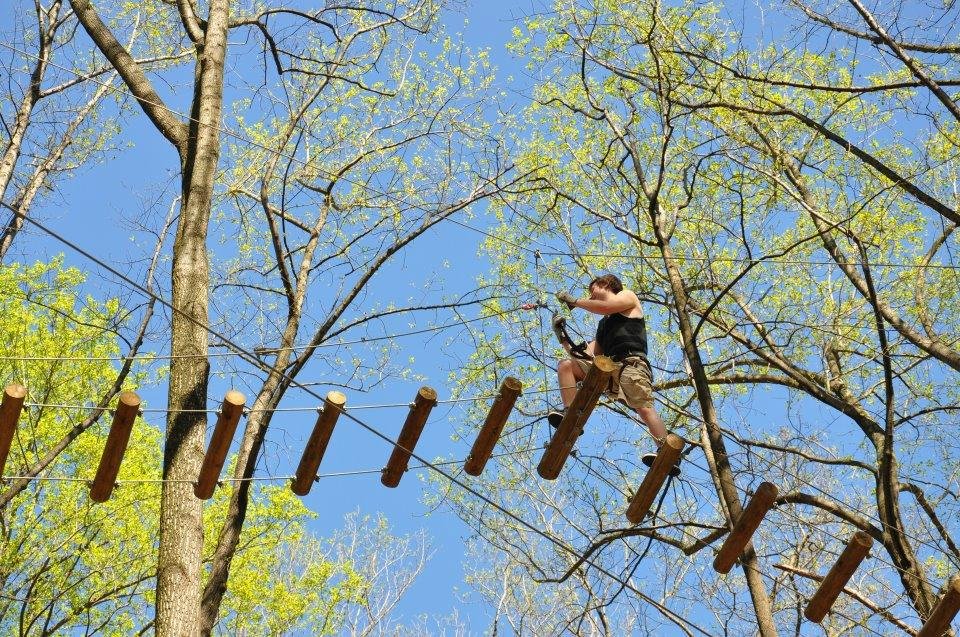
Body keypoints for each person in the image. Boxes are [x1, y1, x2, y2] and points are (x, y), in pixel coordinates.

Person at [548, 273, 677, 474]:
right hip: (609, 369)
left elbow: (606, 307)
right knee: (566, 365)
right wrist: (562, 336)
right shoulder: (604, 325)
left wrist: (574, 301)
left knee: (643, 407)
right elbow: (587, 355)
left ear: (606, 284)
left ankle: (666, 451)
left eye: (593, 292)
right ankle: (570, 415)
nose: (590, 297)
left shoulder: (628, 297)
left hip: (631, 364)